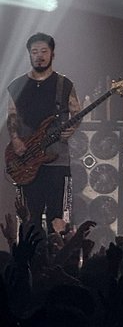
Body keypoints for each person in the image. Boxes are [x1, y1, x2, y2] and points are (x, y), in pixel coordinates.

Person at [6, 32, 80, 229]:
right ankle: (32, 248)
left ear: (52, 54)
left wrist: (72, 128)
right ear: (29, 55)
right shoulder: (17, 85)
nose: (39, 56)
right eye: (35, 52)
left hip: (57, 159)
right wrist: (15, 140)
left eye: (44, 51)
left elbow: (77, 112)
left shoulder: (64, 84)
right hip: (27, 159)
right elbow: (11, 116)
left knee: (57, 217)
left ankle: (56, 248)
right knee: (31, 217)